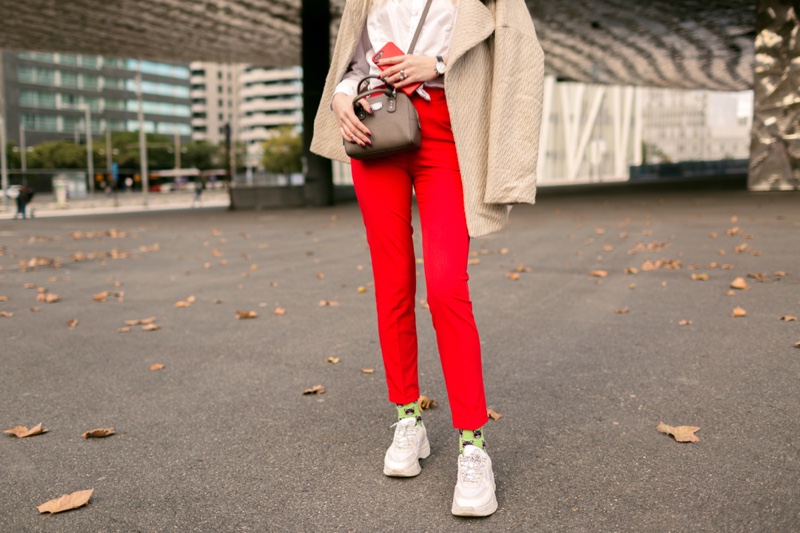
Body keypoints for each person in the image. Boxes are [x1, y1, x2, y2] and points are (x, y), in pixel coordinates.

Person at [311, 0, 544, 517]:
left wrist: (434, 64)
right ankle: (408, 419)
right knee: (392, 282)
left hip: (446, 130)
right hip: (376, 127)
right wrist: (343, 96)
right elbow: (355, 58)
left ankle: (473, 445)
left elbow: (508, 49)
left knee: (445, 285)